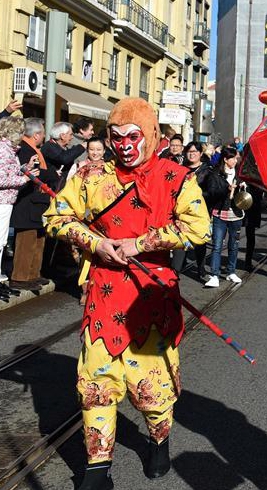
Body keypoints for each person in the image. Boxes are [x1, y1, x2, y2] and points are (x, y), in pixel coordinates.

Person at [43, 97, 210, 490]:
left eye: (133, 136)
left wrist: (140, 243)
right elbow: (57, 216)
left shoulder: (176, 178)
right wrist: (94, 243)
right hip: (103, 291)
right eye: (115, 137)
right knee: (96, 382)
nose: (124, 145)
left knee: (152, 386)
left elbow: (199, 228)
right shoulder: (90, 177)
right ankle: (97, 468)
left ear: (150, 135)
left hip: (150, 295)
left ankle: (159, 439)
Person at [9, 118, 55, 290]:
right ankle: (20, 277)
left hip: (37, 201)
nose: (44, 135)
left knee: (38, 239)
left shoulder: (32, 148)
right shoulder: (25, 149)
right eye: (42, 132)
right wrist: (51, 173)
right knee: (26, 240)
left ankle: (33, 274)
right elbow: (32, 172)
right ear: (36, 135)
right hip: (27, 202)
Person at [171, 142, 221, 279]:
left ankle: (200, 267)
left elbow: (212, 192)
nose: (192, 154)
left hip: (200, 211)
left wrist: (196, 196)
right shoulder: (181, 169)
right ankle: (176, 270)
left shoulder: (208, 170)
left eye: (194, 151)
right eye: (189, 151)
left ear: (200, 153)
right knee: (180, 239)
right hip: (181, 211)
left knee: (199, 240)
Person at [205, 147, 245, 287]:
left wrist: (244, 187)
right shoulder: (216, 173)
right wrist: (226, 189)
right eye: (233, 158)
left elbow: (248, 192)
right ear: (225, 159)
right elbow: (212, 193)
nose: (236, 160)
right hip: (220, 213)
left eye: (236, 158)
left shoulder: (240, 173)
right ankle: (214, 275)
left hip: (236, 213)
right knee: (217, 245)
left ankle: (231, 272)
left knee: (233, 245)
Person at [0, 117, 31, 294]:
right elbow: (1, 178)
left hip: (7, 200)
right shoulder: (4, 151)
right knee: (0, 241)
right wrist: (23, 179)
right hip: (2, 200)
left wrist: (26, 167)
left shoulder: (9, 150)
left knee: (2, 241)